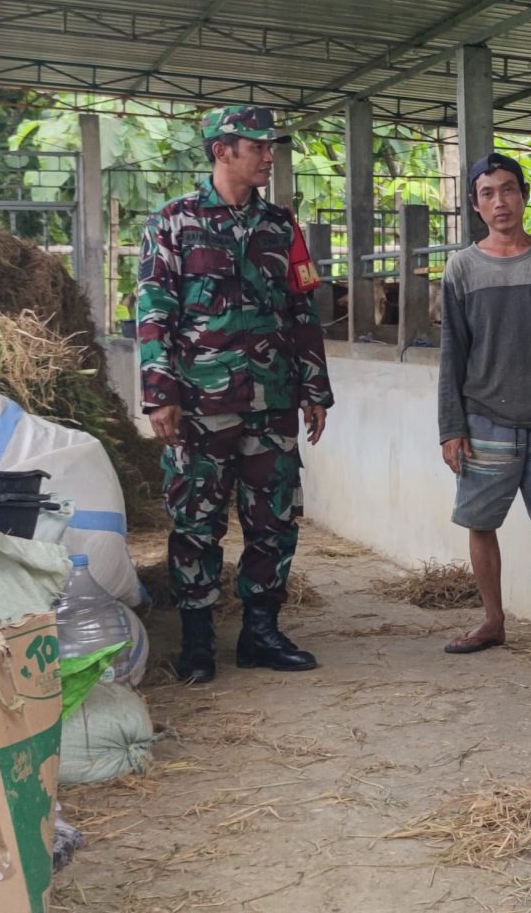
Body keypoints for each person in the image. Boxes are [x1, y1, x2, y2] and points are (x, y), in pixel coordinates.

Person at [134, 105, 334, 685]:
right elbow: (153, 312)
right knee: (196, 520)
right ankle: (198, 640)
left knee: (274, 518)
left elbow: (301, 310)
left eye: (271, 146)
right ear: (222, 150)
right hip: (201, 403)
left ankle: (261, 633)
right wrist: (159, 393)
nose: (269, 156)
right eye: (258, 146)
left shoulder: (281, 226)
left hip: (272, 399)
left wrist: (314, 387)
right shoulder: (172, 222)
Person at [436, 152, 531, 656]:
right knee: (481, 523)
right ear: (475, 205)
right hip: (483, 419)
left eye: (508, 189)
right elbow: (451, 353)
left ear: (524, 196)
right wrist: (451, 426)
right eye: (487, 193)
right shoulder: (461, 268)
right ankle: (493, 620)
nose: (499, 201)